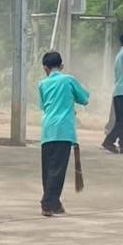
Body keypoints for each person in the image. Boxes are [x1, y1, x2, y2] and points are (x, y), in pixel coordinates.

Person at [37, 50, 89, 217]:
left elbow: (43, 106)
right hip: (64, 130)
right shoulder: (68, 80)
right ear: (62, 66)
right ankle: (47, 202)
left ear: (45, 68)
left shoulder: (42, 84)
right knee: (57, 170)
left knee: (48, 170)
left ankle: (55, 204)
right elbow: (84, 99)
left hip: (47, 130)